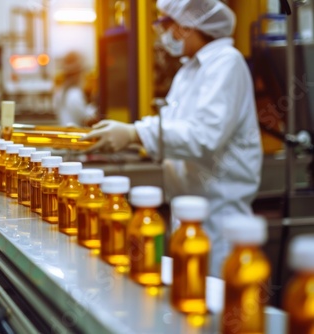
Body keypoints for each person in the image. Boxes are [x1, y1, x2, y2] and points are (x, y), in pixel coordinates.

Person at [81, 0, 263, 277]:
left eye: (166, 24)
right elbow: (174, 125)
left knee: (211, 305)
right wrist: (134, 131)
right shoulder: (189, 70)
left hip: (219, 221)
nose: (163, 34)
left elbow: (204, 136)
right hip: (187, 212)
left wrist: (135, 133)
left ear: (188, 26)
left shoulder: (227, 63)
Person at [53, 51, 97, 127]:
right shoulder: (74, 94)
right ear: (77, 74)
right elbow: (85, 118)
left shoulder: (59, 92)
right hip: (76, 135)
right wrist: (93, 108)